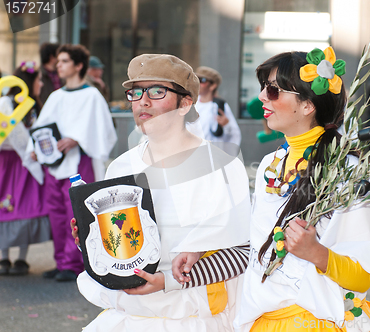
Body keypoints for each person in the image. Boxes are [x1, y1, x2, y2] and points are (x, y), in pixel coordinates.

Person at [234, 48, 370, 332]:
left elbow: (364, 277)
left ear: (307, 105)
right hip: (263, 321)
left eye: (273, 91)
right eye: (263, 88)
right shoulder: (271, 164)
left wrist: (316, 253)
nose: (261, 98)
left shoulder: (348, 171)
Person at [73, 54, 251, 331]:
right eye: (135, 92)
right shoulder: (121, 165)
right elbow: (120, 248)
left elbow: (242, 253)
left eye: (157, 91)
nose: (142, 101)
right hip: (127, 318)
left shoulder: (221, 166)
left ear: (185, 104)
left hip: (193, 319)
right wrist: (90, 238)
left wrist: (170, 280)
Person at [28, 44, 117, 282]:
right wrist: (35, 149)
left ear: (79, 66)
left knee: (75, 213)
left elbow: (105, 131)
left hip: (79, 163)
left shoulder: (92, 96)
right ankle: (61, 261)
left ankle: (75, 262)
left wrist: (77, 139)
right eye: (58, 62)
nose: (59, 65)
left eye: (65, 61)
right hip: (55, 165)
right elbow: (41, 127)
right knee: (56, 213)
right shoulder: (56, 96)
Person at [0, 62, 51, 275]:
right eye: (38, 80)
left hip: (23, 161)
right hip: (9, 160)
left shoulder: (33, 105)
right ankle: (5, 257)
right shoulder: (5, 103)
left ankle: (20, 258)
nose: (41, 84)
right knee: (6, 203)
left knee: (25, 205)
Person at [194, 66, 241, 148]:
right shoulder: (191, 104)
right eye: (196, 79)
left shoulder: (219, 106)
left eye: (202, 80)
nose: (198, 83)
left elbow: (235, 135)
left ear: (213, 86)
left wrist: (226, 125)